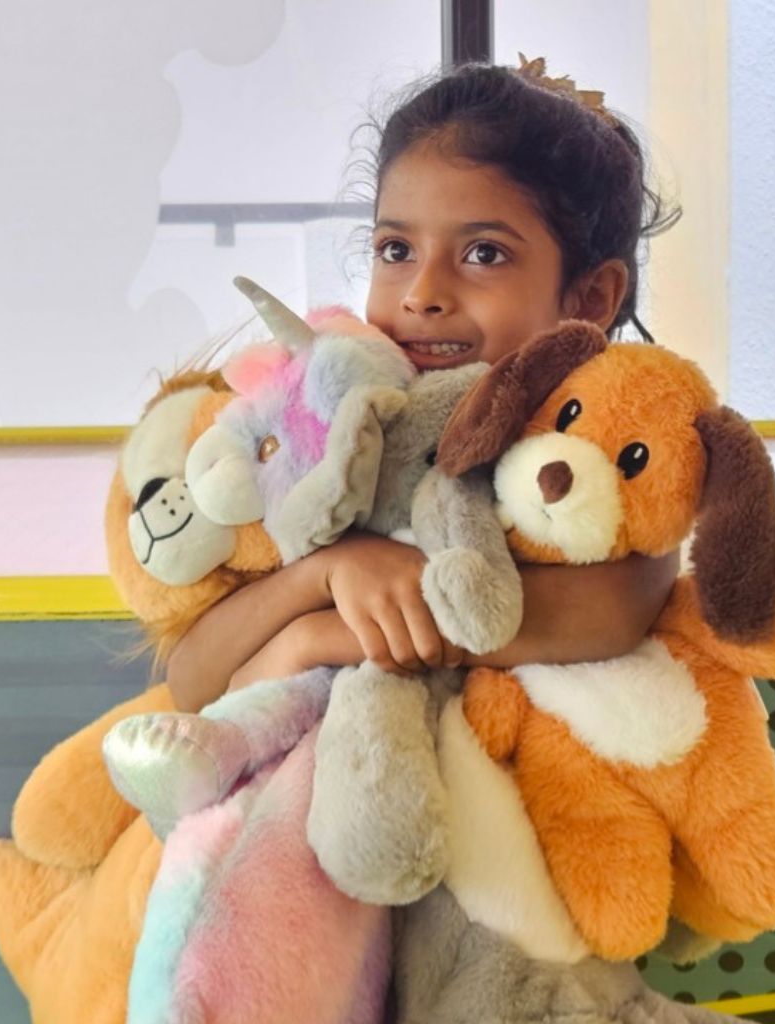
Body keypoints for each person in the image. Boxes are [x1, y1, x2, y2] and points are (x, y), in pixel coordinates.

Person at [166, 58, 681, 713]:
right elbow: (190, 681)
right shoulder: (337, 422)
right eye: (396, 250)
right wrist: (326, 572)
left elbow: (616, 606)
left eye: (484, 254)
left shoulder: (592, 436)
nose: (422, 294)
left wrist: (316, 638)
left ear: (591, 296)